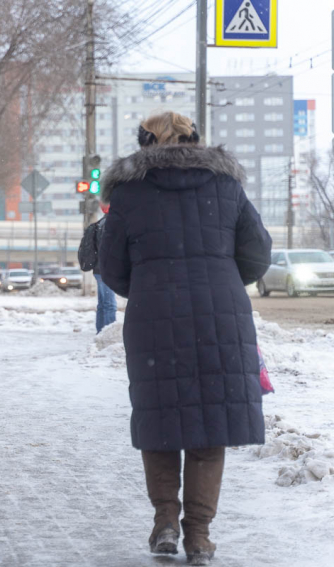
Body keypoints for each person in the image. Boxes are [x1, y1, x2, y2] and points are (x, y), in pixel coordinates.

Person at [98, 112, 272, 566]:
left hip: (154, 316)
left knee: (160, 421)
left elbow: (112, 266)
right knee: (209, 426)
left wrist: (154, 284)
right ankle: (199, 535)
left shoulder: (129, 193)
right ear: (197, 140)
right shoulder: (226, 186)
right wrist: (222, 279)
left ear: (143, 143)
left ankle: (165, 524)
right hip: (222, 317)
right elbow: (257, 253)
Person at [78, 203, 116, 333]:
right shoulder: (110, 225)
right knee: (110, 304)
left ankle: (101, 331)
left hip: (99, 270)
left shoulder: (99, 224)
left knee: (103, 304)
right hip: (107, 269)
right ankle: (108, 333)